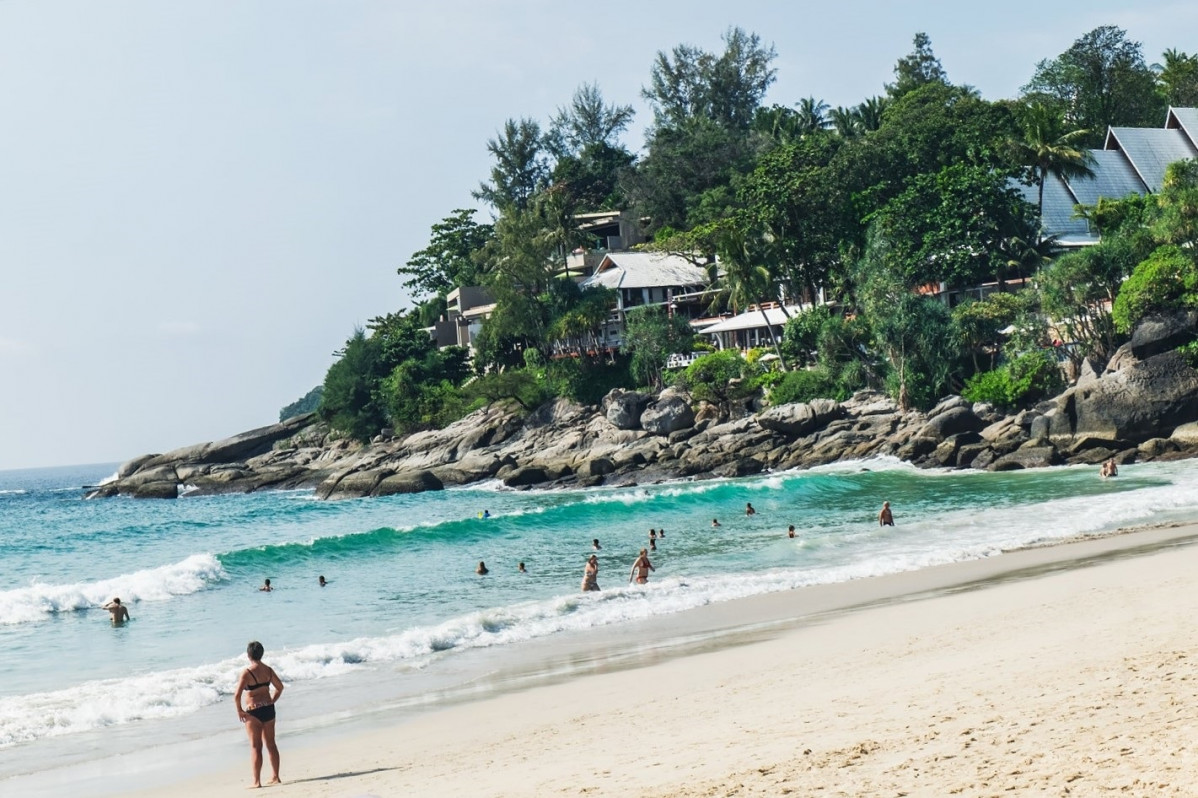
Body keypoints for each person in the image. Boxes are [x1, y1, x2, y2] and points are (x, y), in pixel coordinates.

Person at [234, 640, 284, 789]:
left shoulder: (247, 672)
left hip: (253, 712)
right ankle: (275, 776)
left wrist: (239, 711)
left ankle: (256, 782)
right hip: (269, 710)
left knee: (256, 747)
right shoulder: (268, 670)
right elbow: (280, 687)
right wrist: (271, 701)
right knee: (271, 744)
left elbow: (237, 695)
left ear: (248, 655)